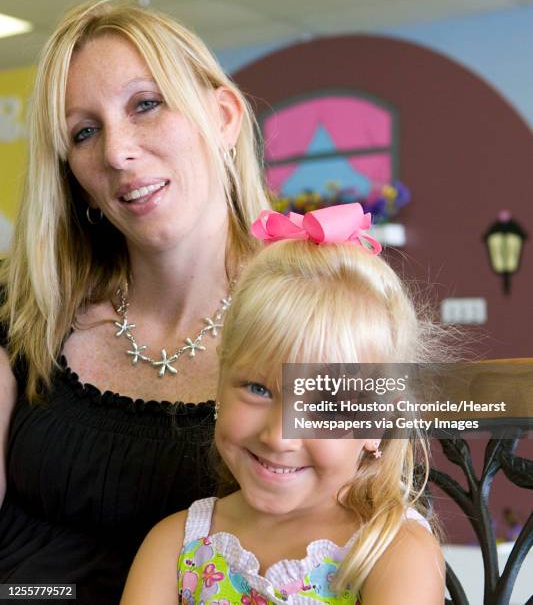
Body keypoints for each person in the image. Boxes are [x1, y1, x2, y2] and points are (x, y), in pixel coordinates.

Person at [0, 0, 268, 603]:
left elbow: (376, 531)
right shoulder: (21, 313)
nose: (117, 152)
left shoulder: (327, 314)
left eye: (146, 105)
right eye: (84, 132)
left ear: (223, 116)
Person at [121, 204, 446, 604]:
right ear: (220, 384)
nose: (279, 436)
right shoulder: (175, 545)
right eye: (258, 390)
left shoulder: (393, 551)